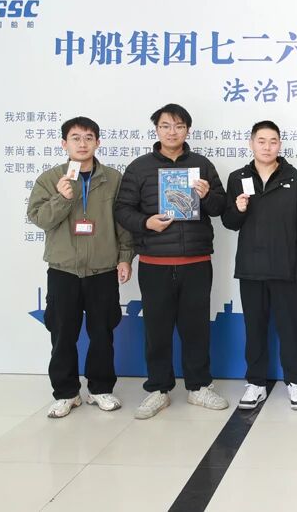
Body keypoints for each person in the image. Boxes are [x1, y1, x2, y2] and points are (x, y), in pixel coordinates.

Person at [115, 103, 229, 419]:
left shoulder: (202, 165)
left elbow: (220, 207)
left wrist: (207, 195)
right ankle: (158, 389)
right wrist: (146, 223)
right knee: (156, 329)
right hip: (155, 262)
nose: (172, 132)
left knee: (196, 328)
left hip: (196, 260)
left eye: (179, 126)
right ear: (157, 130)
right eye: (165, 126)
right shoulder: (139, 168)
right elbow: (122, 209)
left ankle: (198, 386)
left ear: (187, 130)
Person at [28, 116, 134, 418]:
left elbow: (123, 222)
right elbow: (40, 219)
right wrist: (62, 198)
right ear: (64, 144)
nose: (83, 143)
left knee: (102, 332)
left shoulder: (113, 178)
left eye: (89, 137)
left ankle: (100, 389)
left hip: (102, 269)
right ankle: (66, 393)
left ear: (98, 142)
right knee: (62, 333)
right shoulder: (50, 178)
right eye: (76, 138)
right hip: (64, 269)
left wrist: (125, 257)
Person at [222, 121, 297, 411]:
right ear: (251, 143)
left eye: (272, 141)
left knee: (290, 328)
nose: (267, 146)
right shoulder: (237, 178)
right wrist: (238, 209)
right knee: (255, 328)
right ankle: (256, 383)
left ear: (279, 145)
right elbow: (229, 222)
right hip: (251, 267)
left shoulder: (294, 178)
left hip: (285, 268)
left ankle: (295, 381)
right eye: (261, 141)